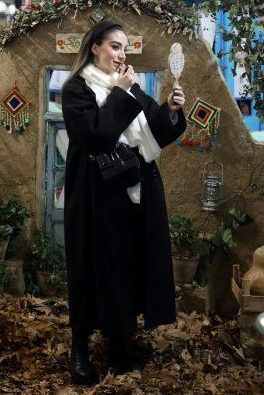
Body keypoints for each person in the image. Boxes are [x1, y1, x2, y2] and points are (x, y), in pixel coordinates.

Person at [61, 20, 186, 384]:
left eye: (124, 48)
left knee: (125, 268)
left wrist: (170, 109)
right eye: (115, 46)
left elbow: (154, 129)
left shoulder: (127, 86)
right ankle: (80, 347)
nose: (121, 55)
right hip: (96, 196)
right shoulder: (77, 89)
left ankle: (119, 346)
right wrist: (119, 92)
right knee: (90, 268)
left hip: (133, 191)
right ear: (95, 48)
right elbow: (96, 135)